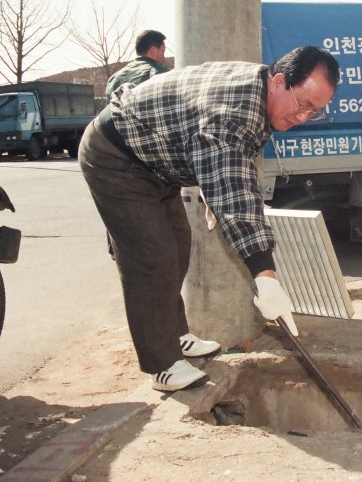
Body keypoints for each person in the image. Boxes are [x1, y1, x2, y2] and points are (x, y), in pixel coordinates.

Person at [78, 45, 340, 391]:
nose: (304, 117)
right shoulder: (231, 113)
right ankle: (162, 364)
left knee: (178, 244)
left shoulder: (260, 90)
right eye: (303, 105)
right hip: (117, 156)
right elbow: (236, 195)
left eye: (316, 111)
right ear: (278, 81)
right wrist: (265, 275)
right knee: (151, 258)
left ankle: (175, 335)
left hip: (156, 160)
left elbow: (235, 169)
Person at [104, 29, 170, 102]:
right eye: (163, 51)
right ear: (153, 50)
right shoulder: (158, 73)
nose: (164, 56)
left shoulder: (113, 79)